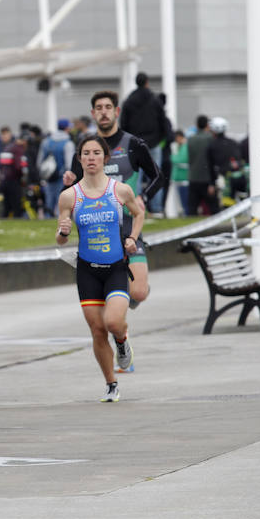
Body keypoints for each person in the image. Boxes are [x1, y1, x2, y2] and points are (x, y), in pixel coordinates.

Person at [57, 135, 145, 402]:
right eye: (86, 153)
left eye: (96, 153)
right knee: (97, 330)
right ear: (80, 158)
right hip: (87, 271)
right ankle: (111, 383)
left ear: (105, 158)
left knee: (113, 322)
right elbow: (61, 237)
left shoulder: (119, 190)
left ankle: (121, 340)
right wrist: (63, 232)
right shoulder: (69, 196)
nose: (91, 157)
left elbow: (138, 213)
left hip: (116, 267)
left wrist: (132, 238)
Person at [63, 90, 159, 315]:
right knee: (105, 301)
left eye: (108, 108)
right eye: (99, 109)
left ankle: (127, 293)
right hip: (97, 229)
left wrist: (144, 197)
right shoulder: (85, 147)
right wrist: (67, 184)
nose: (103, 113)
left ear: (116, 112)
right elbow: (71, 191)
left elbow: (158, 175)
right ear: (92, 113)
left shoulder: (133, 144)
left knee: (139, 293)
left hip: (127, 226)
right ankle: (116, 297)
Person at [119, 72, 169, 213]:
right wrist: (161, 137)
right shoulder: (155, 100)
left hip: (135, 144)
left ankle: (137, 208)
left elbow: (123, 124)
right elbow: (163, 121)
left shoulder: (129, 101)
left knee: (136, 177)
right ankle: (157, 208)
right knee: (156, 176)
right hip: (153, 143)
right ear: (147, 82)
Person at [40, 118, 75, 217]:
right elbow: (69, 163)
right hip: (62, 177)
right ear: (66, 128)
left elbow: (40, 161)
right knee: (62, 201)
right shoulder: (68, 143)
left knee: (49, 201)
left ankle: (47, 218)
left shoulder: (46, 142)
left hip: (48, 176)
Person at [186, 115, 217, 216]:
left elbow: (190, 158)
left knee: (192, 208)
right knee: (213, 208)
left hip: (193, 176)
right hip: (207, 177)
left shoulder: (190, 139)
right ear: (207, 125)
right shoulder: (210, 138)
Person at [170, 130, 190, 215]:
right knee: (182, 202)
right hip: (180, 179)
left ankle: (186, 214)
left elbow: (181, 160)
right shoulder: (181, 146)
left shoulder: (185, 147)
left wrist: (171, 157)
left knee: (185, 201)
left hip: (183, 179)